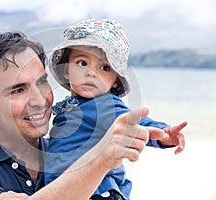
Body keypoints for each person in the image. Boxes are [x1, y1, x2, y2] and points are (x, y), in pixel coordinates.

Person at [0, 31, 169, 200]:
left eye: (42, 83)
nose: (40, 100)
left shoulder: (65, 148)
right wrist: (100, 160)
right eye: (18, 89)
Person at [44, 18, 187, 200]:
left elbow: (132, 121)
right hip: (65, 189)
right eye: (82, 63)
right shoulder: (71, 106)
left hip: (97, 192)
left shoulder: (105, 104)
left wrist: (164, 133)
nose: (91, 72)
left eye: (104, 67)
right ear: (66, 70)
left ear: (114, 81)